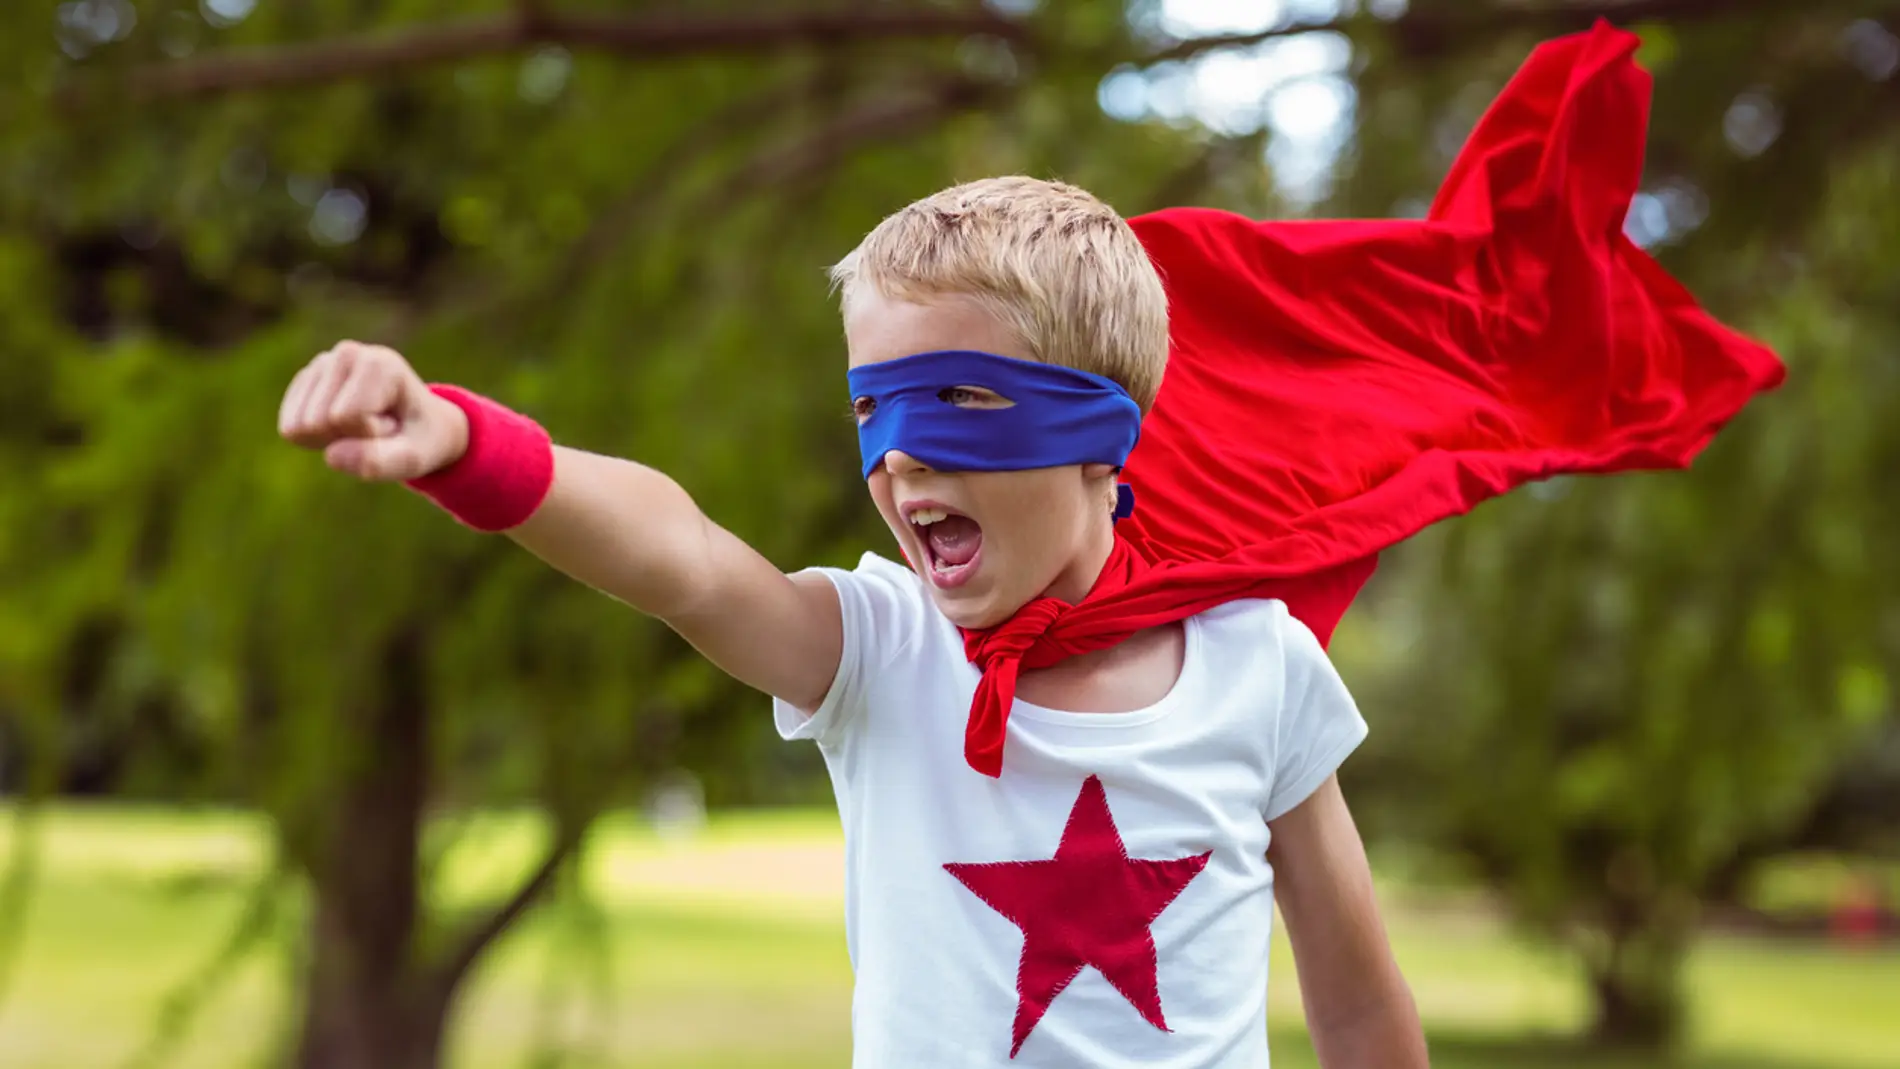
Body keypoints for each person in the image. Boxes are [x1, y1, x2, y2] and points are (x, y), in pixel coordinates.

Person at [277, 22, 1777, 1068]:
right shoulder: (881, 655)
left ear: (1103, 435)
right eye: (879, 409)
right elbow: (680, 555)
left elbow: (1362, 997)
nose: (909, 454)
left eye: (965, 402)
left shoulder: (1261, 667)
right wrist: (473, 445)